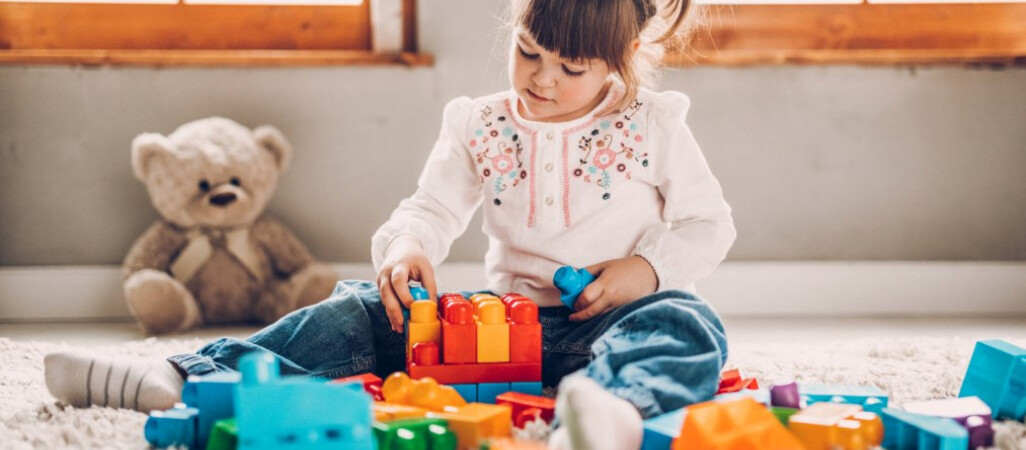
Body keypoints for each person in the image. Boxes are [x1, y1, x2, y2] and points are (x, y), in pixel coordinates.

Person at [44, 0, 735, 448]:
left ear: (621, 61)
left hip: (610, 324)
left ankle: (608, 412)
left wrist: (644, 270)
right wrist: (407, 247)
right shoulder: (480, 123)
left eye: (571, 68)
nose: (541, 80)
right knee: (360, 308)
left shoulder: (652, 124)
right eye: (528, 51)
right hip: (501, 327)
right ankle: (182, 374)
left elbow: (709, 224)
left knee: (688, 322)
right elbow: (431, 207)